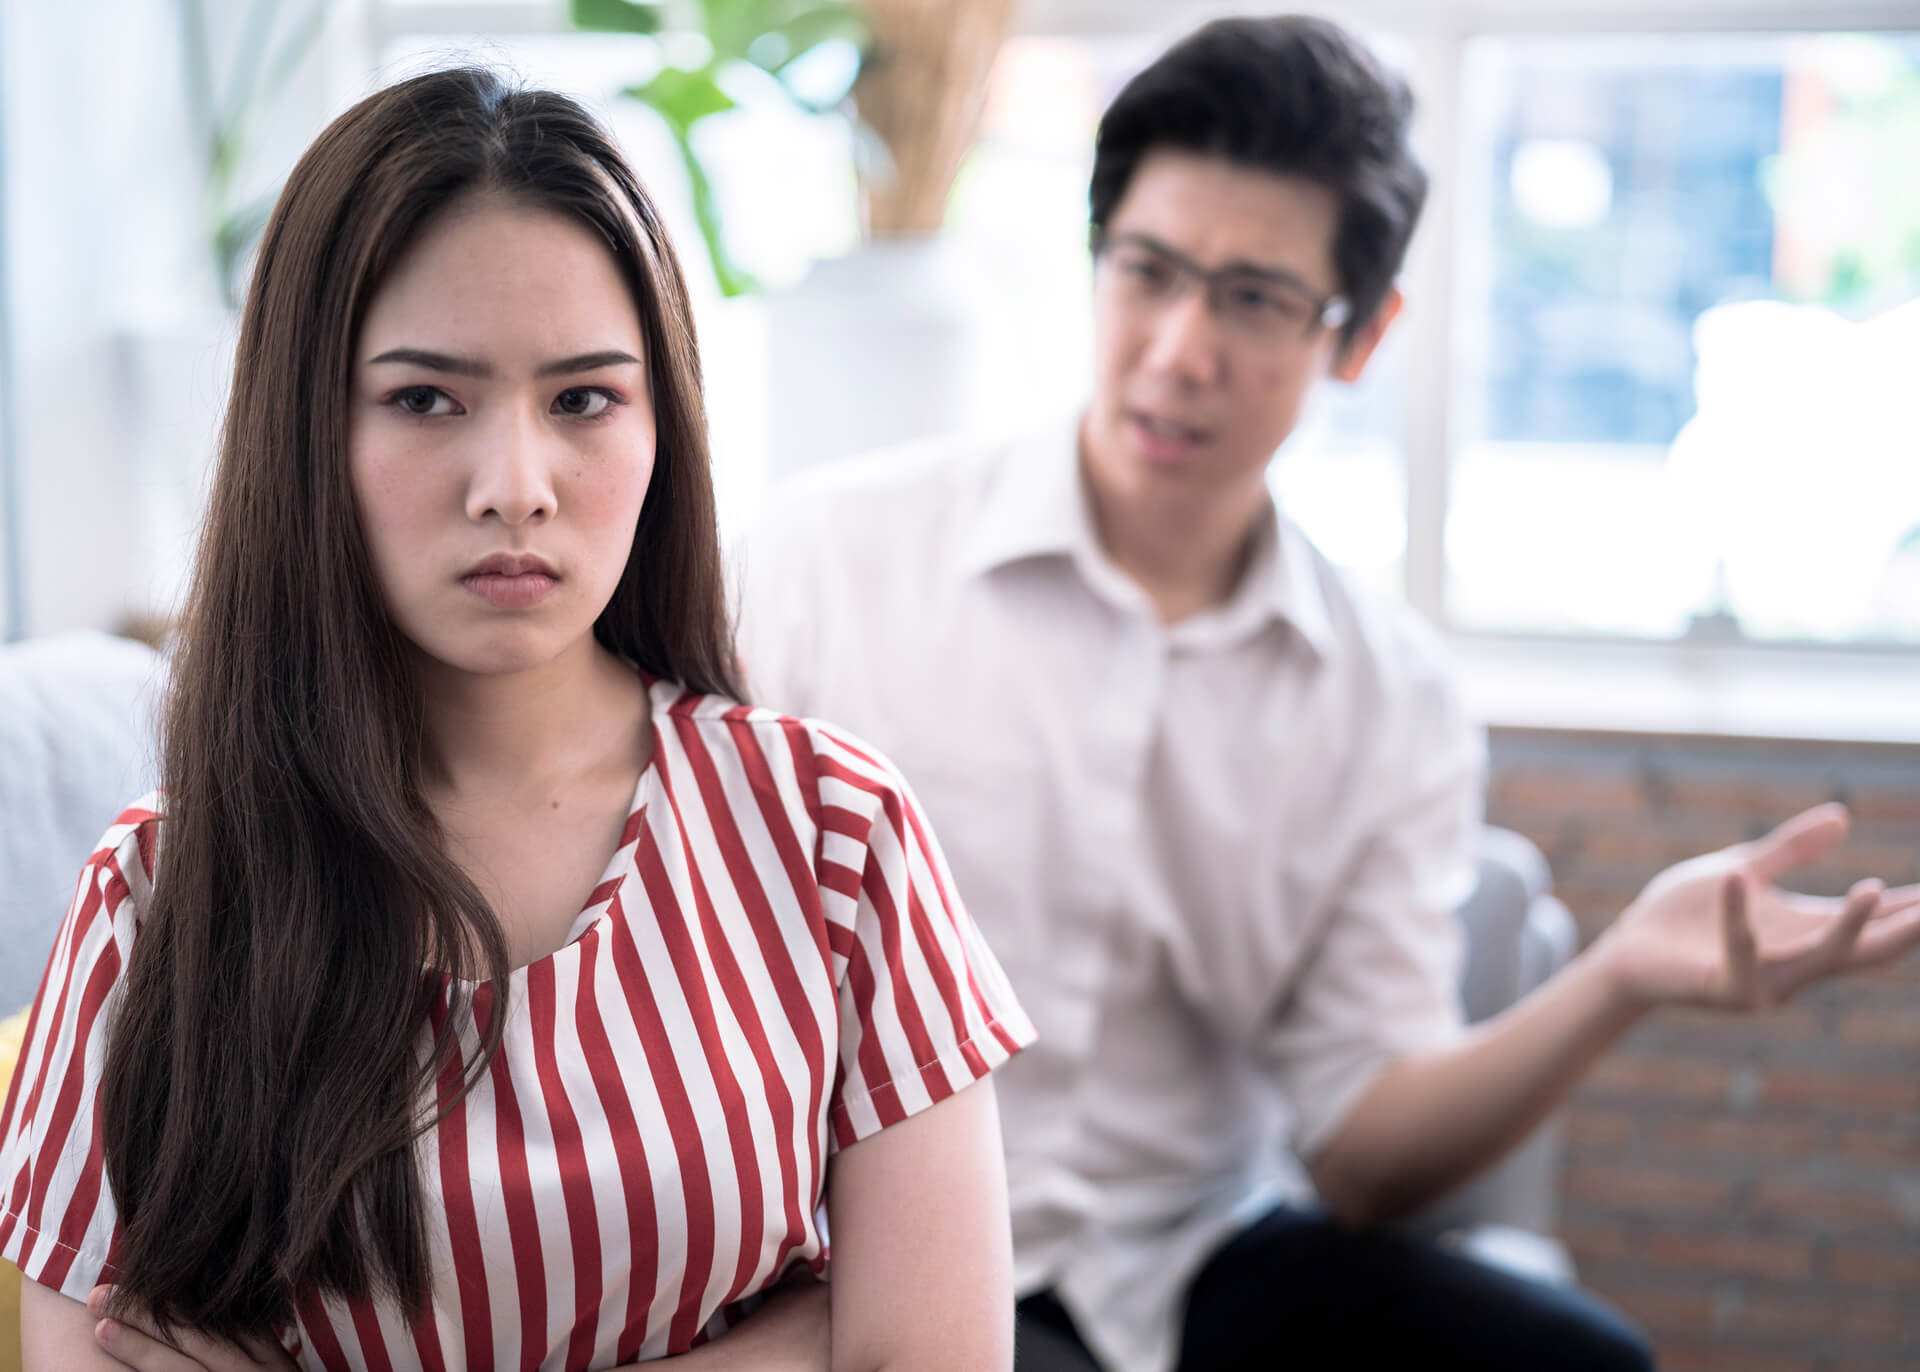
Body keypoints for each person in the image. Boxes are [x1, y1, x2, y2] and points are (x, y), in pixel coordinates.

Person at [732, 15, 1920, 1372]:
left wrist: (1616, 980)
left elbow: (1364, 1158)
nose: (1180, 348)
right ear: (1094, 257)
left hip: (1186, 1256)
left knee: (1581, 1366)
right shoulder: (826, 562)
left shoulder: (1385, 697)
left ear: (1359, 336)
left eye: (1253, 299)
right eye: (1150, 272)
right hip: (878, 1244)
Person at [1, 67, 1032, 1372]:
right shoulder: (157, 903)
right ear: (305, 430)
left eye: (585, 400)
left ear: (668, 429)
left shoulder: (833, 835)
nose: (516, 485)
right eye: (427, 400)